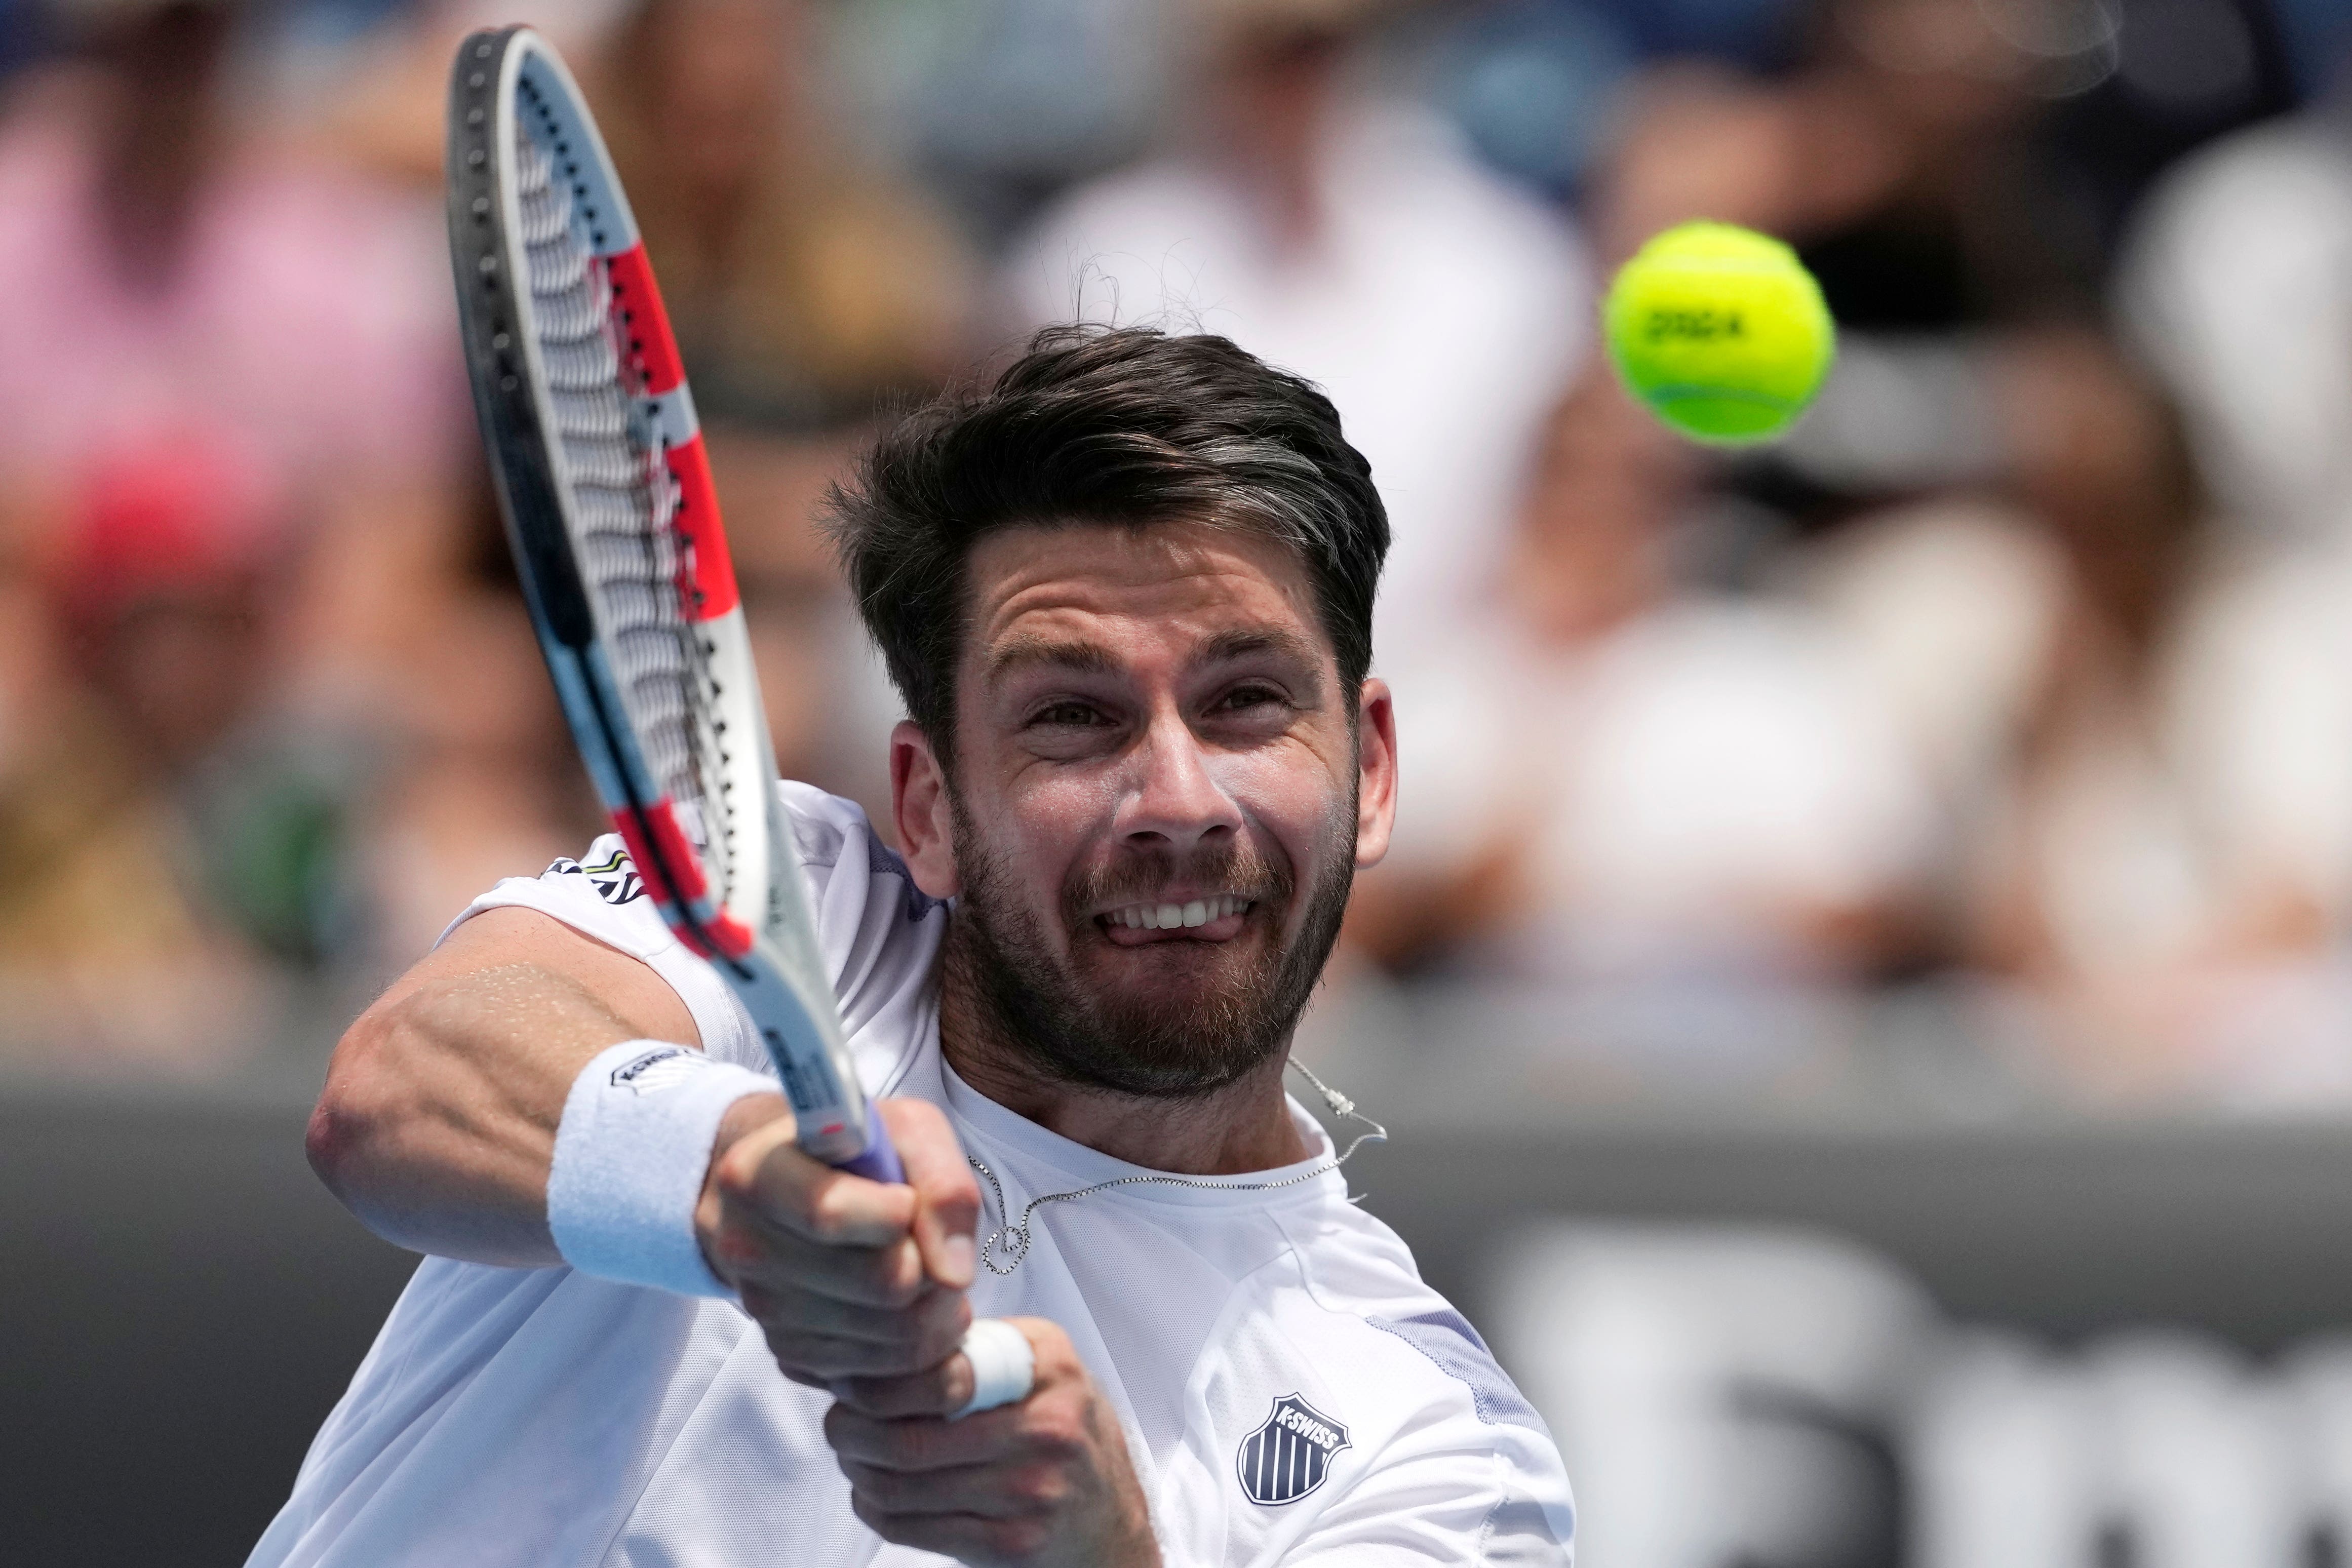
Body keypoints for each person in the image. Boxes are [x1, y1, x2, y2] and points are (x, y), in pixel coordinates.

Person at [251, 328, 1575, 1565]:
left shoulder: (1429, 1441)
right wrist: (738, 1181)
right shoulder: (785, 892)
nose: (1177, 800)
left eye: (1244, 703)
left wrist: (1109, 1558)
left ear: (1374, 769)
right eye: (1072, 716)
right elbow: (402, 1086)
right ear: (930, 809)